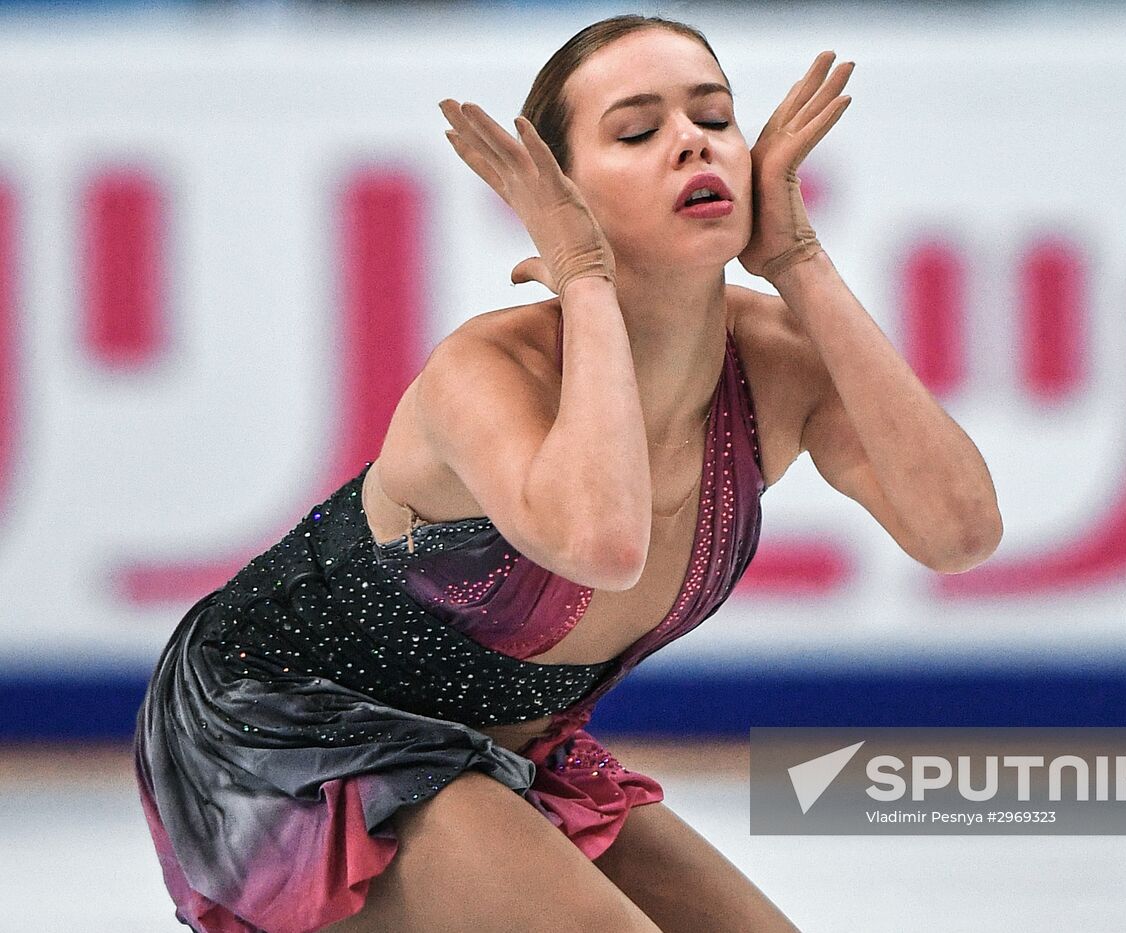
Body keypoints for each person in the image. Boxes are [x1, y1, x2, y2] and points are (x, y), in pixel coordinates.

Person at [133, 13, 1002, 933]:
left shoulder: (777, 363)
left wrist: (799, 260)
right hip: (284, 719)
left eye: (714, 117)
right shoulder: (488, 372)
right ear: (563, 194)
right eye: (637, 131)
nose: (690, 144)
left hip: (498, 748)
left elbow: (958, 531)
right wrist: (584, 278)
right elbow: (603, 543)